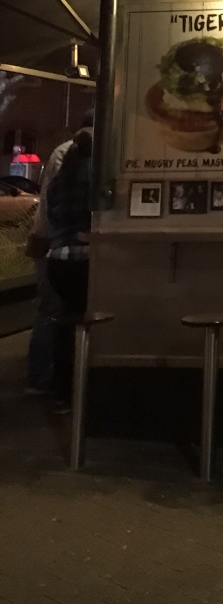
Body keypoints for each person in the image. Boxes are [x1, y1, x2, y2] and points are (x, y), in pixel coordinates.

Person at [23, 111, 94, 395]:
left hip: (55, 249)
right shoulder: (91, 163)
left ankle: (48, 380)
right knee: (62, 314)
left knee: (56, 314)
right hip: (74, 251)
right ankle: (53, 380)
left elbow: (49, 208)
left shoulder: (62, 160)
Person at [45, 126, 94, 408]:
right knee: (83, 323)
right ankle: (80, 390)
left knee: (65, 322)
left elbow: (51, 217)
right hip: (83, 258)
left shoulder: (60, 178)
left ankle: (60, 388)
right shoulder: (94, 176)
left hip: (57, 259)